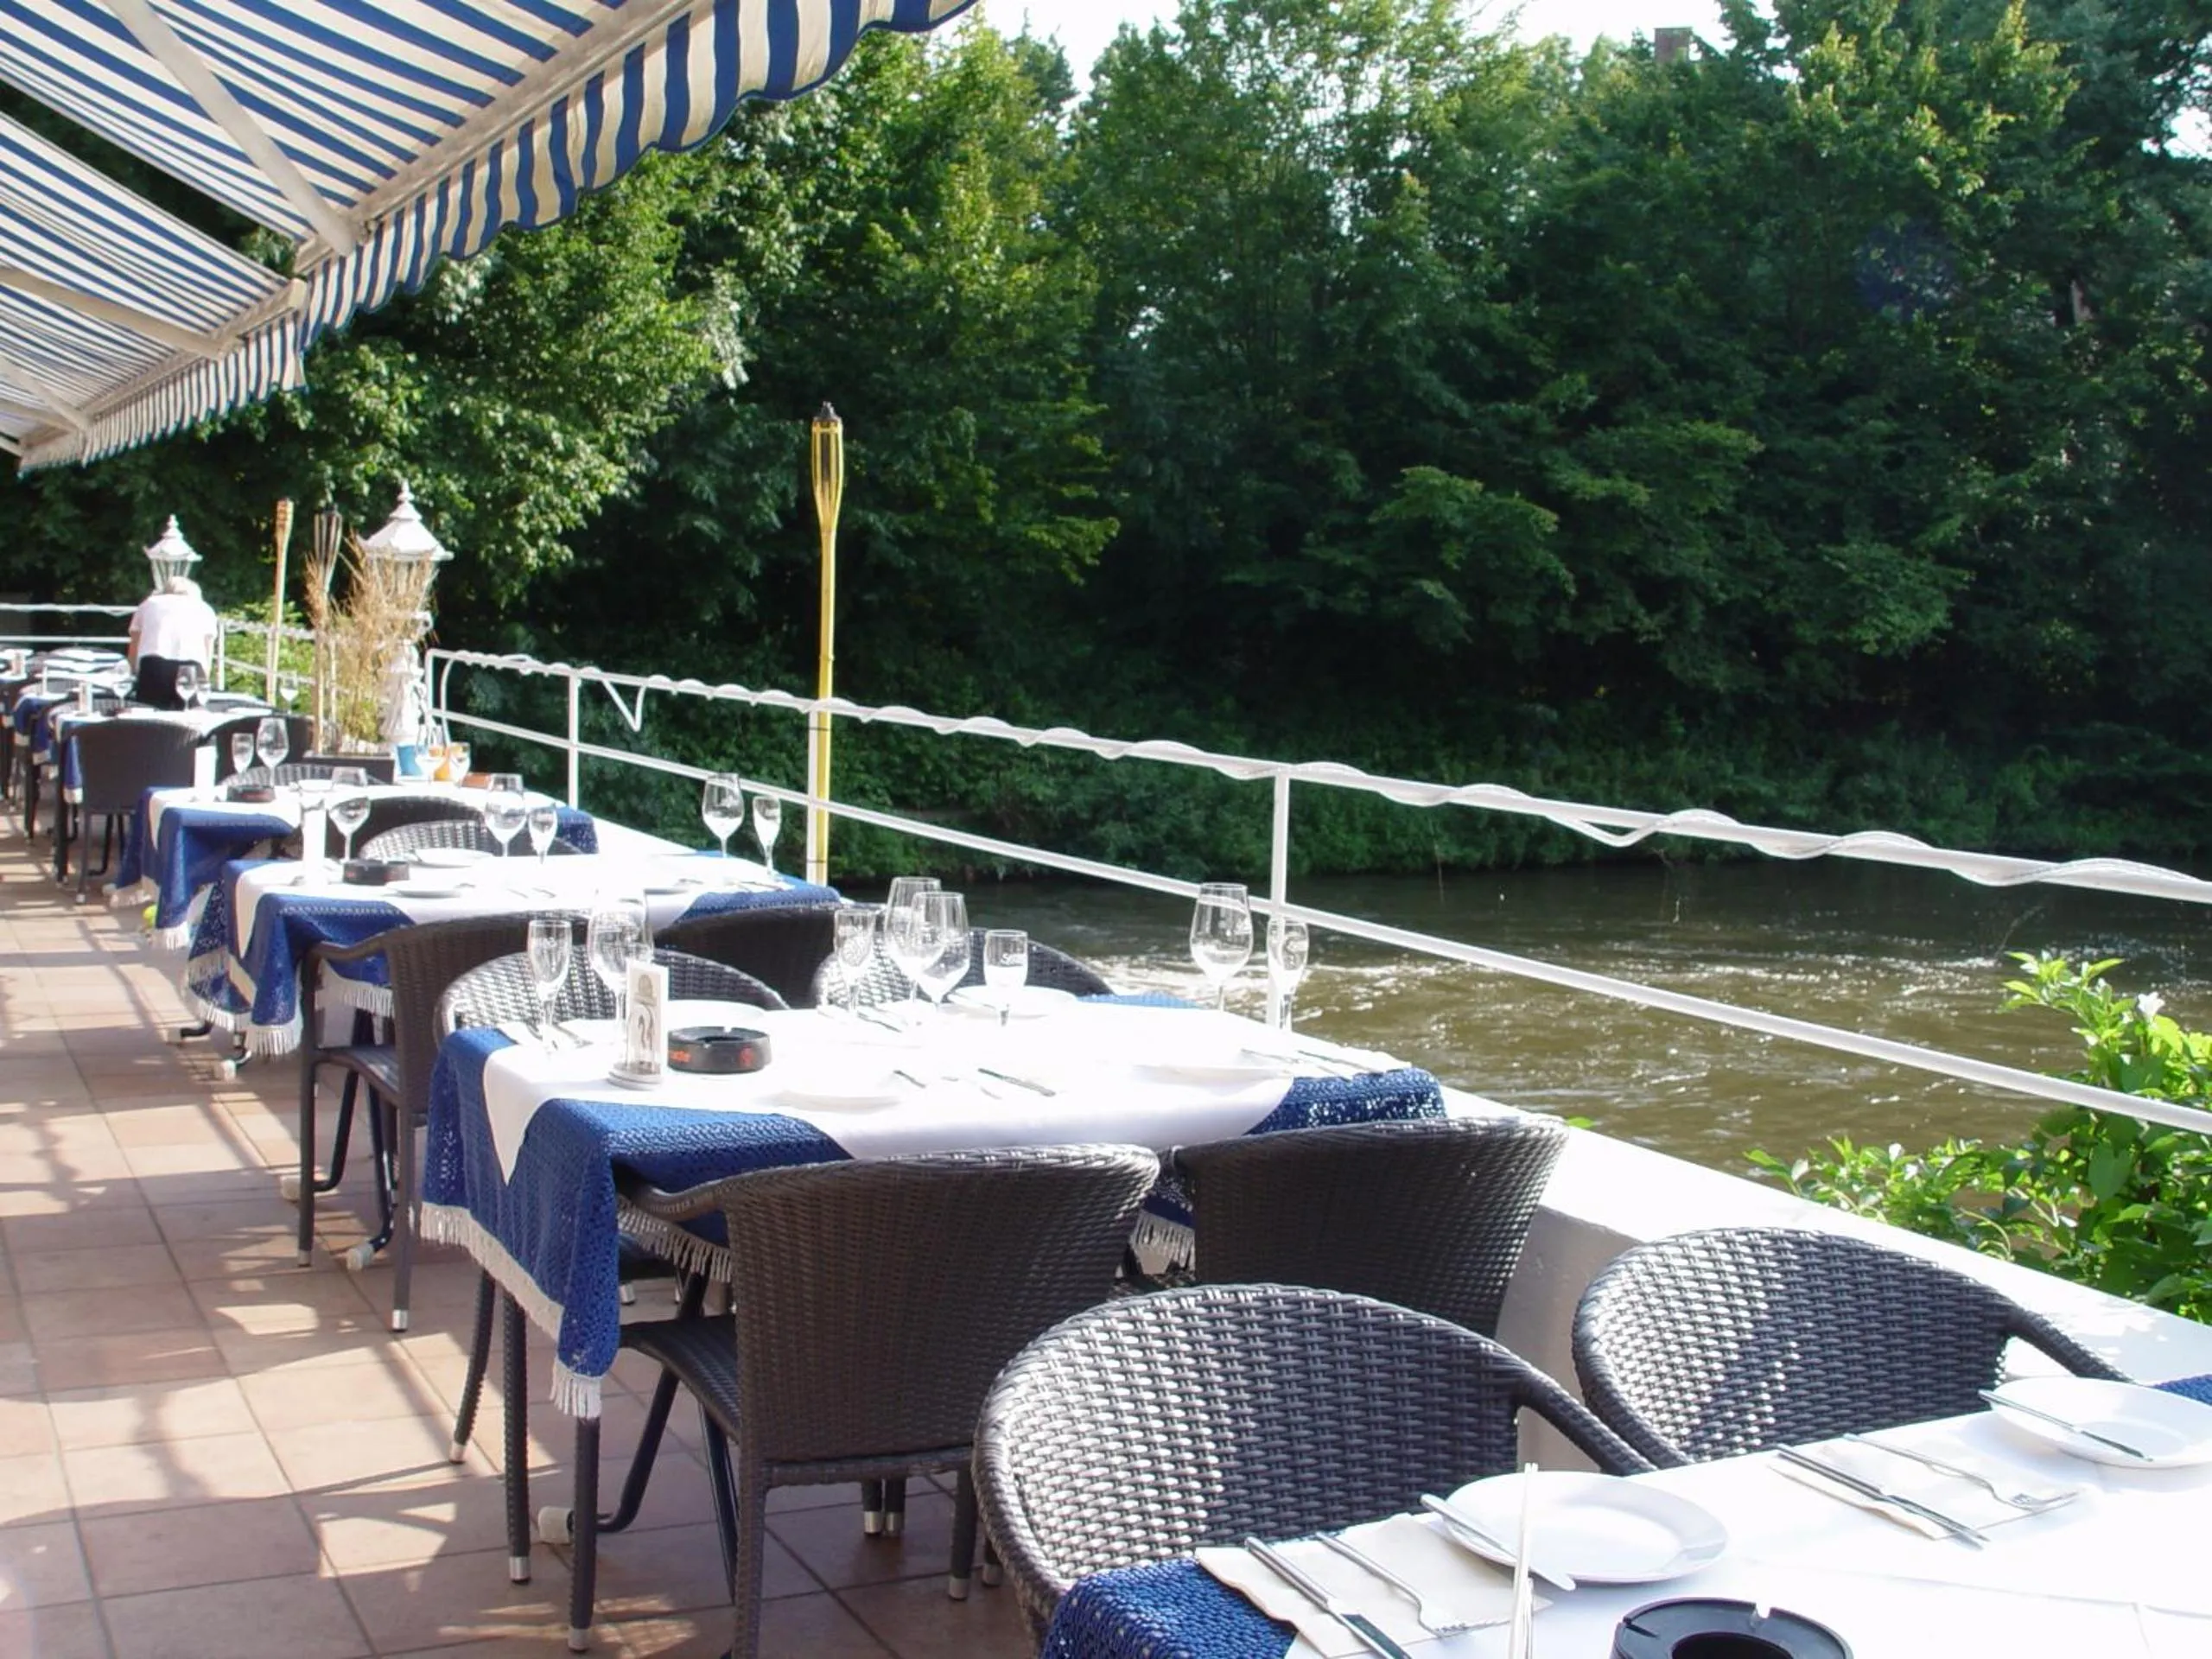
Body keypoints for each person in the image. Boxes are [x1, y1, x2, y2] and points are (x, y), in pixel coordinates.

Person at [128, 575, 219, 709]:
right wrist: (204, 681)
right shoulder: (204, 608)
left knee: (150, 717)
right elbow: (207, 652)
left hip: (154, 666)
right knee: (190, 718)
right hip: (192, 668)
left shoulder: (149, 604)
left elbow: (135, 643)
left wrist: (133, 673)